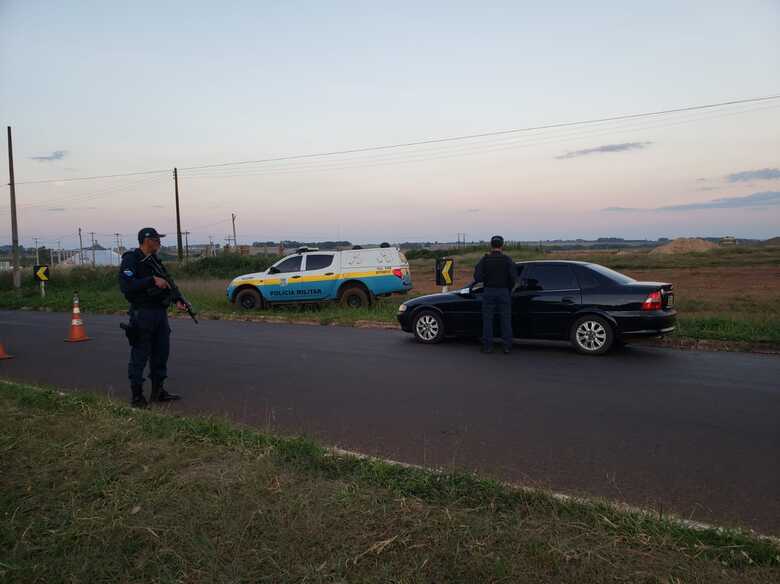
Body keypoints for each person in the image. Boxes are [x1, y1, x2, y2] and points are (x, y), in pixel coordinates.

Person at [119, 228, 185, 407]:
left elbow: (168, 281)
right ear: (147, 240)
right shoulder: (131, 259)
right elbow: (127, 286)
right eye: (156, 239)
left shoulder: (155, 260)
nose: (159, 242)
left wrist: (177, 298)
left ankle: (158, 392)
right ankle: (137, 396)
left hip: (159, 313)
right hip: (142, 313)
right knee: (140, 354)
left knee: (161, 353)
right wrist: (151, 280)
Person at [473, 235, 517, 354]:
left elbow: (477, 277)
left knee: (487, 320)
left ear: (491, 245)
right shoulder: (507, 259)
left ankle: (487, 347)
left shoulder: (485, 260)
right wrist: (508, 289)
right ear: (502, 245)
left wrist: (486, 279)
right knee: (505, 320)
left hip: (489, 291)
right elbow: (514, 278)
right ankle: (507, 346)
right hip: (503, 292)